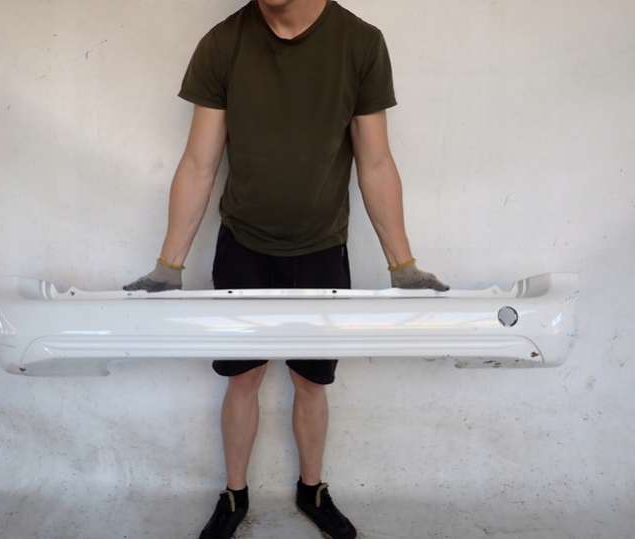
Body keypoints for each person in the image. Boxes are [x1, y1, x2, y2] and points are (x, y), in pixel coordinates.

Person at [123, 0, 450, 537]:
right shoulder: (223, 42)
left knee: (311, 381)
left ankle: (312, 490)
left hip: (321, 248)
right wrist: (167, 266)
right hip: (243, 245)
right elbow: (200, 163)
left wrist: (404, 266)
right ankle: (234, 495)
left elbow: (375, 162)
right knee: (243, 378)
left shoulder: (360, 43)